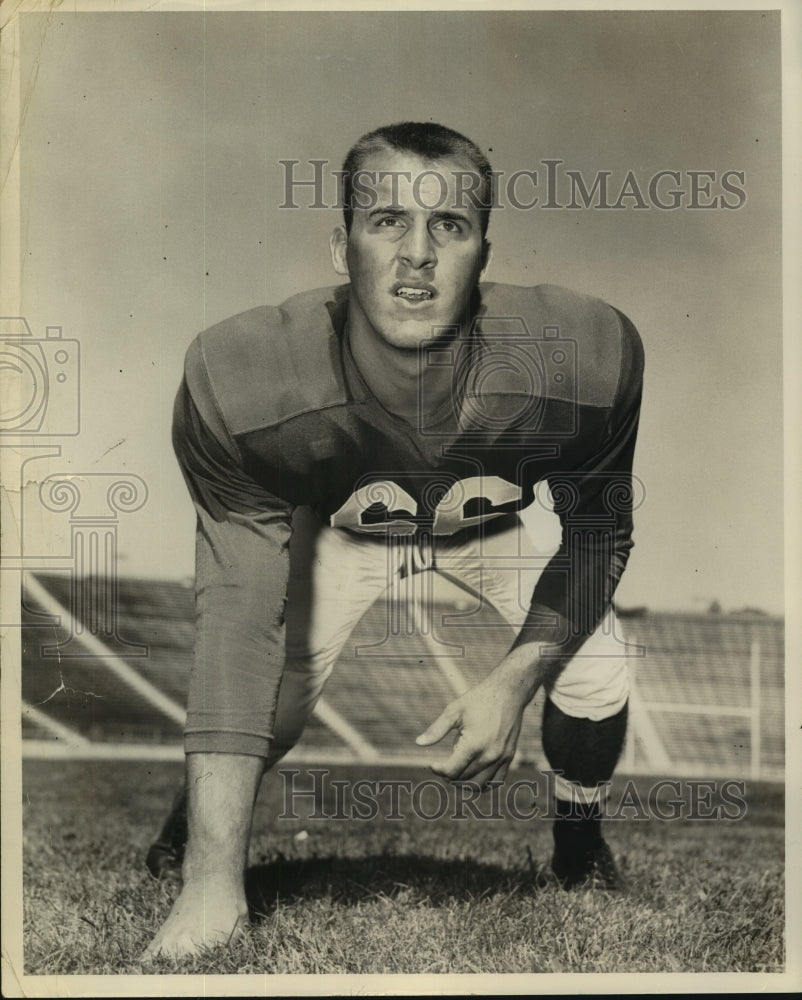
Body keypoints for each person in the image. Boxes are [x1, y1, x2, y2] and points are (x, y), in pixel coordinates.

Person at [143, 122, 644, 960]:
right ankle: (195, 832)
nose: (418, 253)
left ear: (486, 250)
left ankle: (579, 840)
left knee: (598, 668)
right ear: (341, 247)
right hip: (340, 530)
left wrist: (518, 679)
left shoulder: (582, 359)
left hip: (486, 525)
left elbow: (599, 532)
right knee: (277, 706)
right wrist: (211, 890)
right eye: (387, 222)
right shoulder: (247, 375)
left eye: (449, 225)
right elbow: (236, 619)